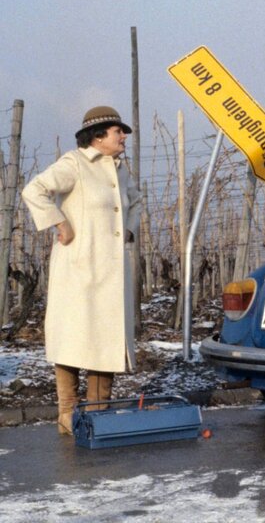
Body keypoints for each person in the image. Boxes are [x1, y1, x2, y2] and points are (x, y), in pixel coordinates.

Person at [21, 106, 142, 434]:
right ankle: (67, 415)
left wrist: (129, 229)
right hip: (79, 270)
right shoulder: (74, 164)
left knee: (108, 340)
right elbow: (34, 190)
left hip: (112, 275)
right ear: (99, 135)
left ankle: (97, 417)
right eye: (119, 131)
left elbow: (137, 200)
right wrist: (60, 223)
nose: (124, 137)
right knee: (73, 339)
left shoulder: (119, 170)